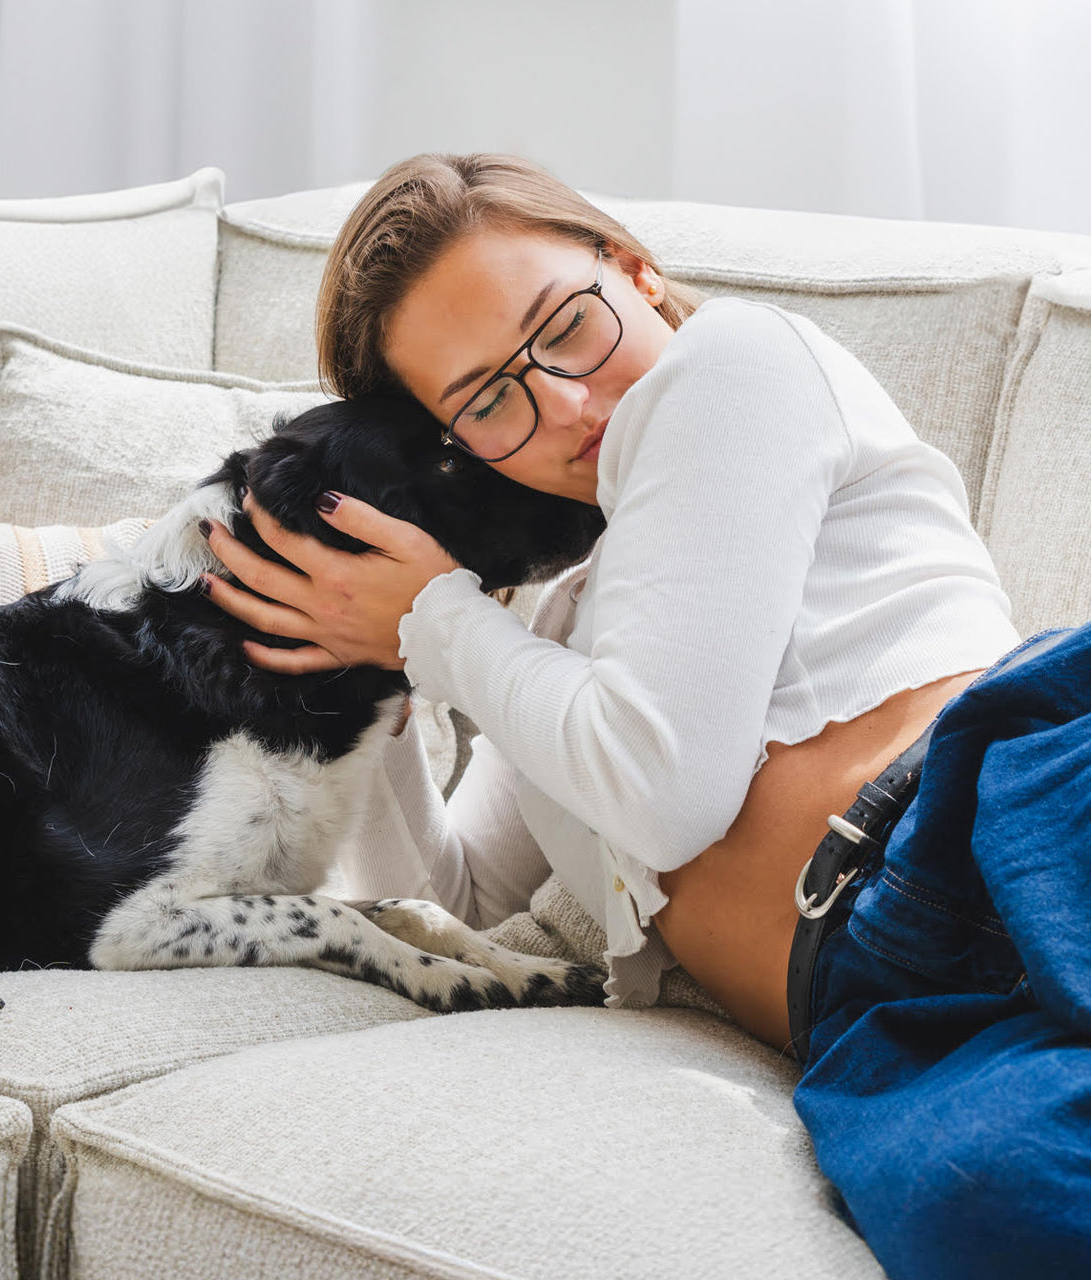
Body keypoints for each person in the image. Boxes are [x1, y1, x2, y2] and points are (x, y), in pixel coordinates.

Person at [199, 153, 1091, 1277]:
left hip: (1006, 809)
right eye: (486, 399)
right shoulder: (553, 642)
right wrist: (355, 666)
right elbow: (451, 895)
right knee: (1000, 1210)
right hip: (877, 1013)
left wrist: (432, 617)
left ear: (632, 270)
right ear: (451, 446)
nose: (565, 402)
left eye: (565, 323)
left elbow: (665, 789)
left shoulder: (733, 364)